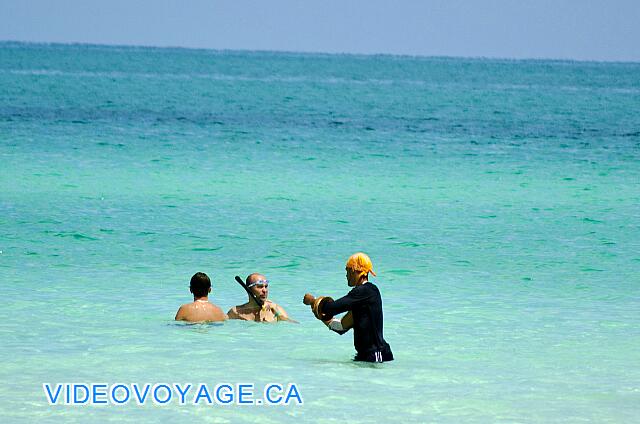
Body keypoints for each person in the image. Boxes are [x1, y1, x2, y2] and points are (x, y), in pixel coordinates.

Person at [303, 252, 393, 363]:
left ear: (355, 270)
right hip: (365, 356)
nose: (346, 275)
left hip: (376, 355)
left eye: (348, 270)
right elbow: (340, 327)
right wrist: (320, 313)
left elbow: (330, 308)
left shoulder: (365, 291)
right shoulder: (362, 299)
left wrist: (313, 300)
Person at [227, 273, 291, 322]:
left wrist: (278, 314)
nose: (265, 290)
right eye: (260, 287)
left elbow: (293, 326)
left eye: (266, 286)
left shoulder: (275, 308)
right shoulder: (236, 312)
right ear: (248, 290)